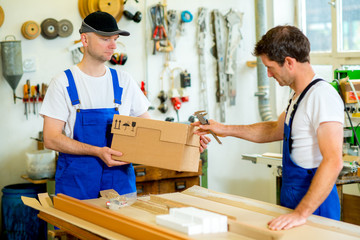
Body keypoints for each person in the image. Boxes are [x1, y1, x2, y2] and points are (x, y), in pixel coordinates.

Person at [40, 11, 209, 200]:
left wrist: (188, 140)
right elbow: (51, 138)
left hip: (119, 180)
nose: (113, 45)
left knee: (121, 229)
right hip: (78, 182)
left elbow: (151, 130)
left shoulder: (123, 81)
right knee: (75, 229)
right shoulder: (63, 82)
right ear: (85, 40)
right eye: (105, 39)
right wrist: (97, 151)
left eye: (115, 39)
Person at [193, 25, 344, 231]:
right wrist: (223, 129)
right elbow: (274, 129)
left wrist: (301, 213)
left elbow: (334, 160)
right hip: (295, 201)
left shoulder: (322, 96)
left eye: (270, 67)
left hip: (315, 208)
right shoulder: (298, 95)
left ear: (289, 62)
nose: (269, 74)